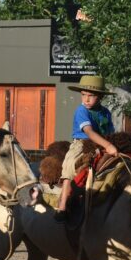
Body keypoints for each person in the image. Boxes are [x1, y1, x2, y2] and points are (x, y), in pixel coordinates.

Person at [54, 75, 117, 223]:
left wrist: (110, 143)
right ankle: (62, 205)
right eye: (83, 95)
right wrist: (108, 146)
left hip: (102, 143)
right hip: (82, 143)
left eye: (91, 96)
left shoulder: (105, 112)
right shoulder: (81, 111)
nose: (86, 99)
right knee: (69, 165)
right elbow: (88, 131)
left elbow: (110, 132)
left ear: (100, 97)